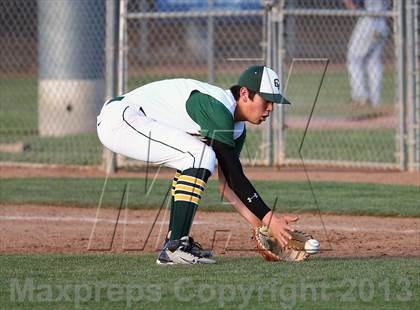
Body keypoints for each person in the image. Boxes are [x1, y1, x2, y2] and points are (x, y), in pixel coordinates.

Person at [96, 65, 298, 265]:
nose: (270, 108)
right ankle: (176, 246)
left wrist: (260, 227)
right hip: (120, 118)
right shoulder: (218, 108)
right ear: (245, 94)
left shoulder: (236, 129)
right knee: (199, 156)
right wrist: (269, 217)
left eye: (273, 103)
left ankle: (174, 244)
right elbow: (236, 176)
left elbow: (227, 185)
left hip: (132, 120)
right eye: (266, 101)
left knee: (194, 157)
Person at [345, 0, 390, 107]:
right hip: (382, 21)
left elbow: (353, 6)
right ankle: (375, 99)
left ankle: (360, 96)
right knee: (373, 61)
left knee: (354, 59)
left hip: (369, 21)